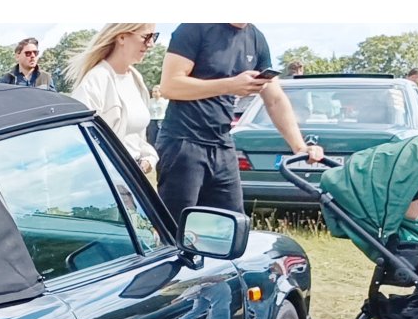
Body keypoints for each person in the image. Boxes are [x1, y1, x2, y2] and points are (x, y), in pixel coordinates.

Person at [156, 23, 323, 230]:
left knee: (232, 227)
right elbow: (170, 86)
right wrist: (230, 85)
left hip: (223, 144)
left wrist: (299, 147)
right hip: (183, 143)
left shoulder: (256, 38)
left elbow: (275, 99)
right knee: (175, 228)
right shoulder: (195, 27)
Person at [67, 24, 159, 174]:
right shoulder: (96, 80)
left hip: (132, 180)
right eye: (145, 37)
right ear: (121, 37)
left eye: (154, 37)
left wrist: (149, 158)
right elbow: (77, 139)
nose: (151, 44)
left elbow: (137, 137)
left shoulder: (136, 79)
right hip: (106, 181)